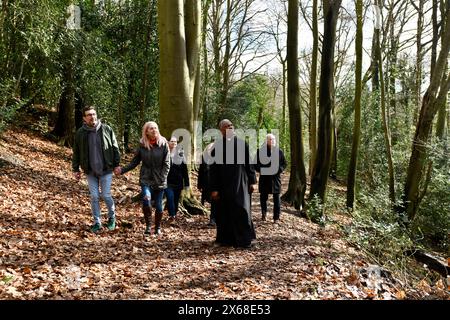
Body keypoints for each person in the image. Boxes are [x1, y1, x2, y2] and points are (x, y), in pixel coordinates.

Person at [72, 106, 121, 233]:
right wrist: (75, 169)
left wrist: (117, 164)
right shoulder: (80, 133)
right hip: (90, 171)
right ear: (84, 118)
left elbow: (115, 147)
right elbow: (76, 152)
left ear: (96, 115)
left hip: (106, 169)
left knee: (105, 195)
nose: (92, 116)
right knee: (94, 196)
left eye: (93, 114)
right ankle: (97, 222)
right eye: (88, 114)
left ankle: (112, 218)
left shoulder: (106, 129)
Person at [210, 119, 257, 248]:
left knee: (242, 210)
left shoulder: (242, 144)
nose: (230, 127)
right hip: (223, 185)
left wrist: (253, 181)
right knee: (224, 212)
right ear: (221, 130)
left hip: (241, 182)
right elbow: (213, 169)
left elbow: (249, 164)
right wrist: (214, 188)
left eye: (231, 125)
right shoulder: (217, 147)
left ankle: (245, 240)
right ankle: (225, 240)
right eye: (227, 126)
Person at [117, 121, 170, 235]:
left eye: (155, 128)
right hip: (146, 178)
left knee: (159, 206)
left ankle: (158, 227)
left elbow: (167, 164)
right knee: (146, 199)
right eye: (151, 128)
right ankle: (148, 226)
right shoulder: (142, 144)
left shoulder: (163, 143)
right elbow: (135, 161)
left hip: (160, 179)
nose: (154, 130)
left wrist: (162, 177)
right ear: (146, 131)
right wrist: (122, 170)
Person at [254, 133, 286, 222]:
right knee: (263, 197)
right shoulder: (260, 151)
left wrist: (279, 169)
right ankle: (263, 215)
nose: (272, 141)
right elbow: (255, 164)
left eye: (274, 139)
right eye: (270, 139)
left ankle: (276, 218)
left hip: (275, 179)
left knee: (277, 199)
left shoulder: (279, 151)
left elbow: (284, 164)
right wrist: (262, 170)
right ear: (266, 141)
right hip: (264, 178)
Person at [164, 137, 190, 221]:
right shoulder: (164, 153)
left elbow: (185, 170)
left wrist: (187, 184)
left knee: (175, 200)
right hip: (167, 182)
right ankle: (172, 215)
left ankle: (174, 213)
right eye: (172, 141)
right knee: (170, 197)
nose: (174, 143)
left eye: (175, 142)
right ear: (168, 142)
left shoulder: (181, 154)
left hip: (178, 181)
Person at [197, 142, 216, 226]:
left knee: (215, 202)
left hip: (217, 183)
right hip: (207, 183)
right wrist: (199, 184)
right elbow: (200, 172)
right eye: (209, 148)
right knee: (211, 201)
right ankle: (213, 219)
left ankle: (214, 219)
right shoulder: (204, 158)